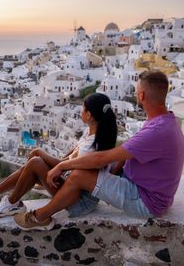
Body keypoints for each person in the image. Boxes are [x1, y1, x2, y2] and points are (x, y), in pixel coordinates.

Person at [14, 70, 184, 231]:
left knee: (79, 175)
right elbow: (126, 156)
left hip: (144, 200)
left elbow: (100, 159)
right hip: (149, 191)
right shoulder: (166, 121)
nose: (134, 94)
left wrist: (61, 166)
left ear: (141, 95)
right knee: (94, 165)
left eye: (136, 91)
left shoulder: (156, 131)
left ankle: (39, 217)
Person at [0, 93, 117, 225]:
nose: (80, 111)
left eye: (83, 108)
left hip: (78, 200)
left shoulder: (91, 145)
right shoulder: (91, 133)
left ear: (89, 115)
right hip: (71, 185)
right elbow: (69, 157)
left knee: (35, 161)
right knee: (34, 161)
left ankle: (10, 202)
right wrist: (51, 162)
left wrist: (43, 155)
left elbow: (68, 167)